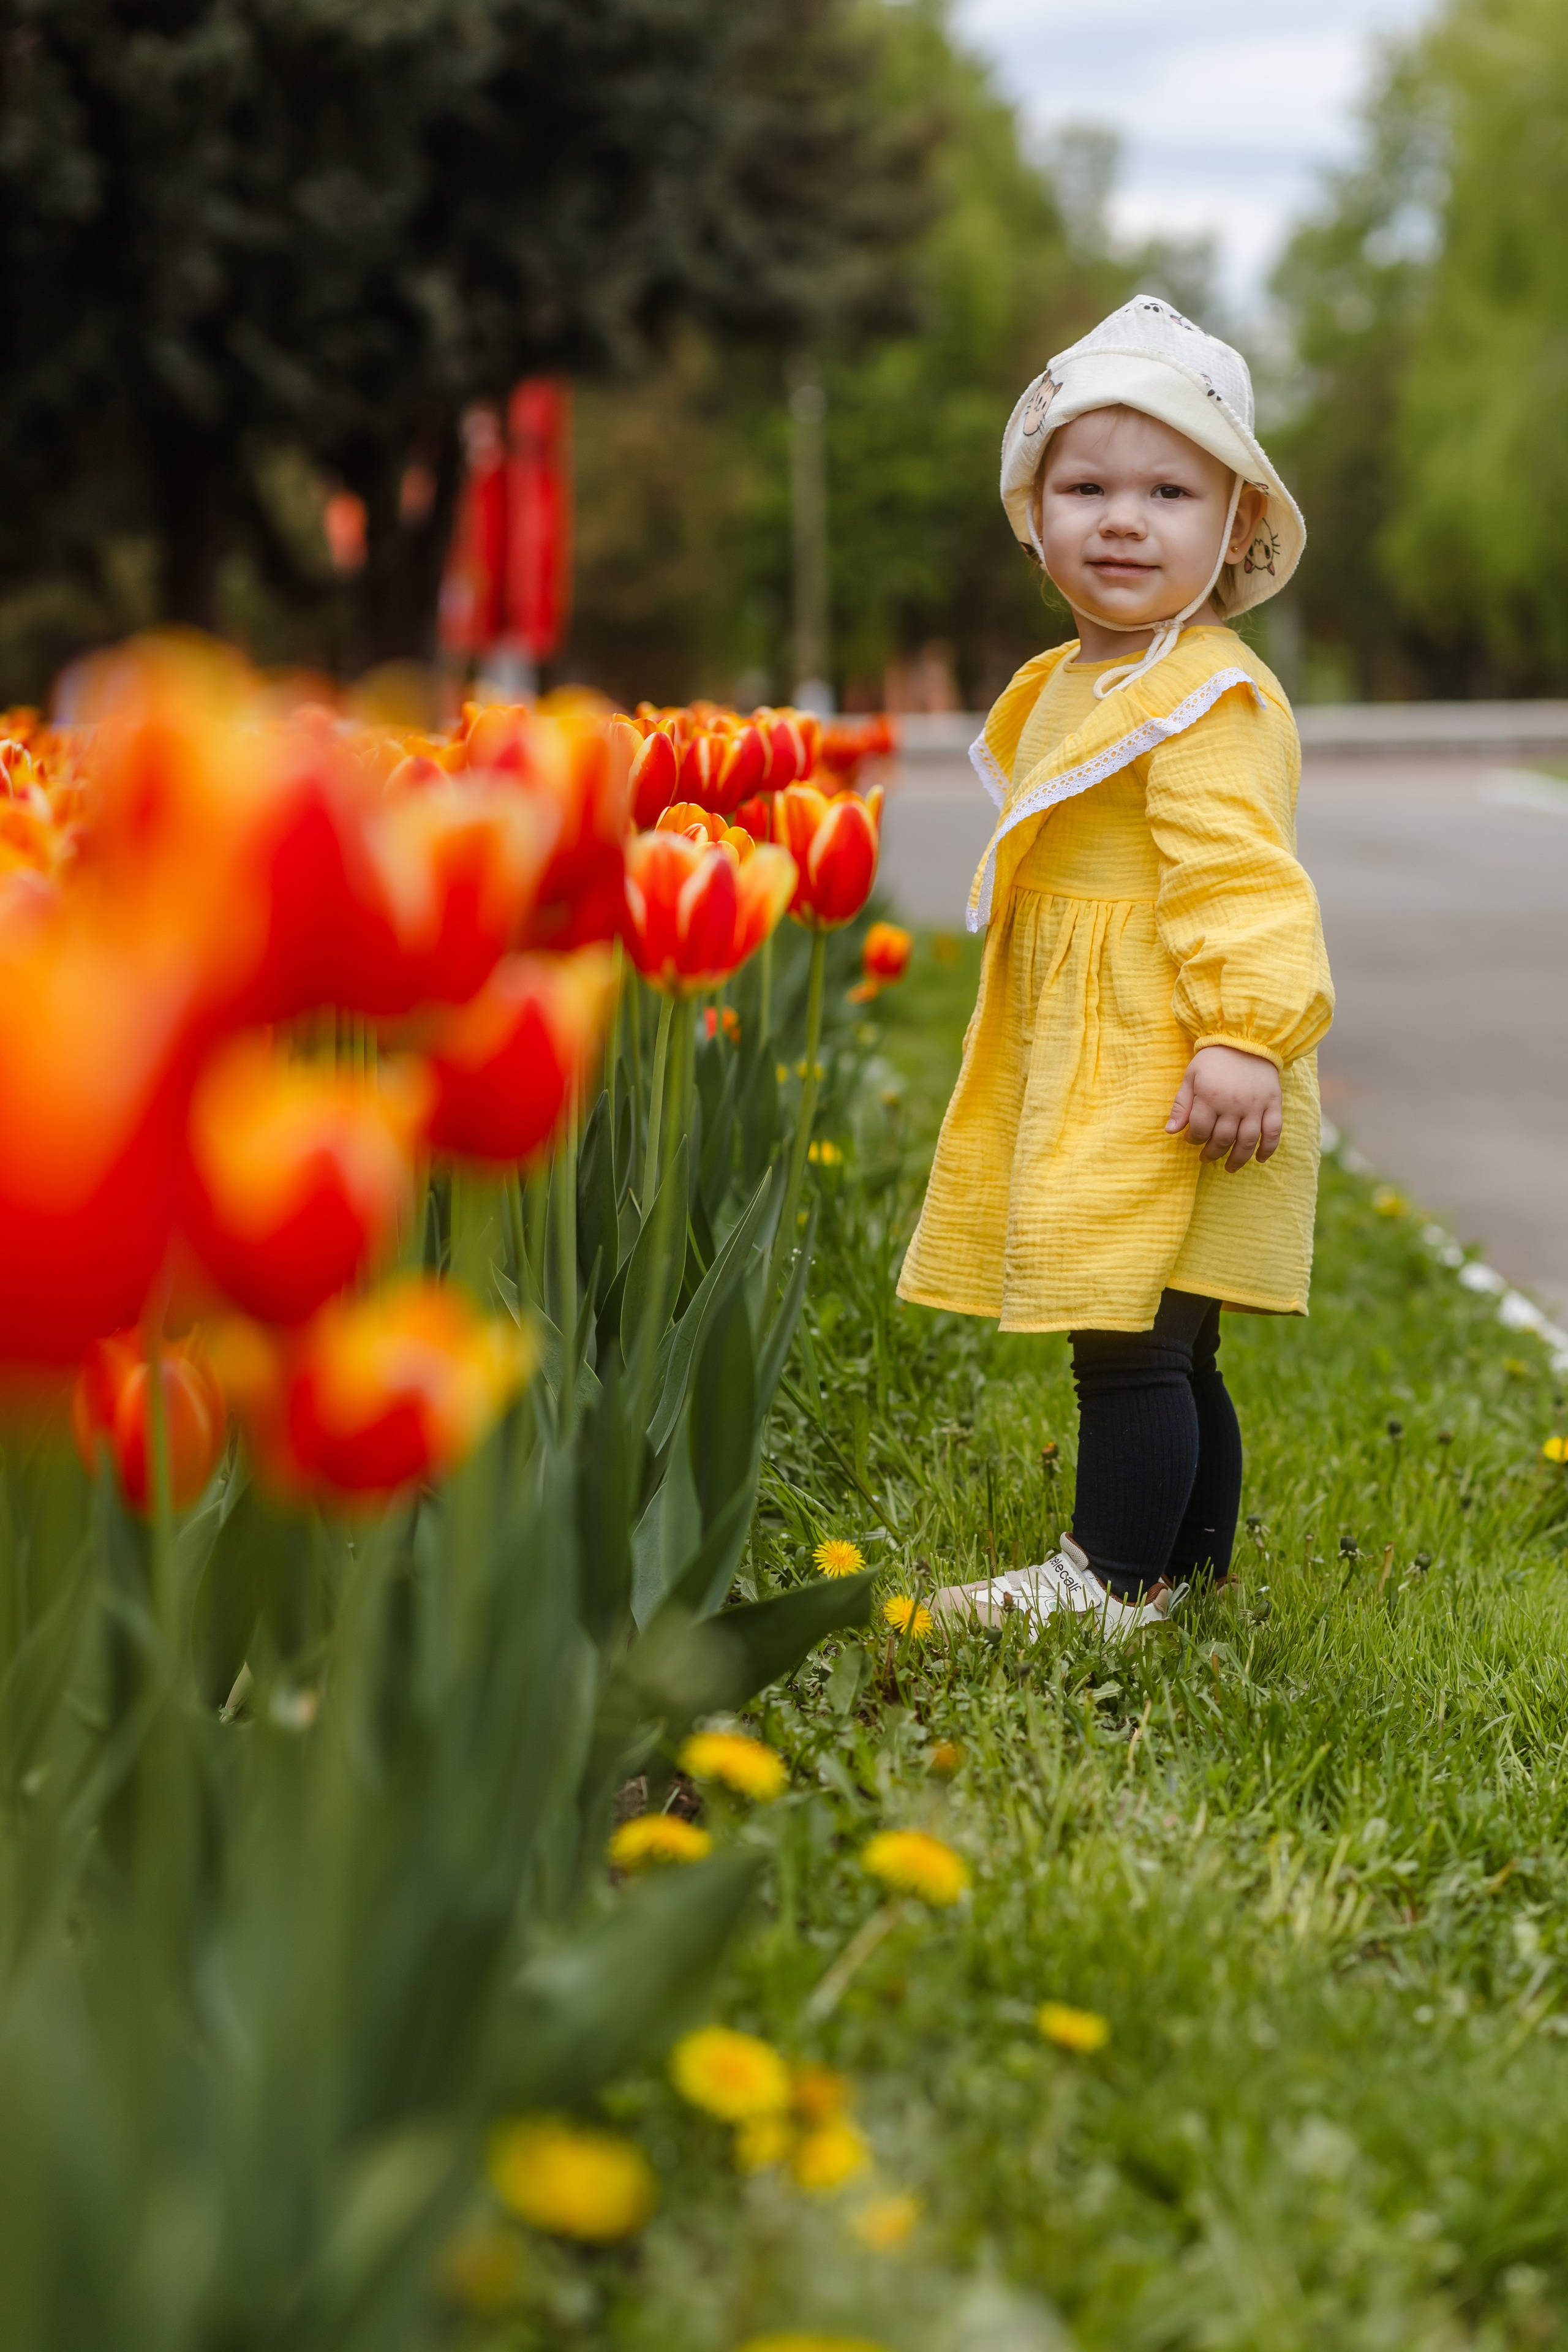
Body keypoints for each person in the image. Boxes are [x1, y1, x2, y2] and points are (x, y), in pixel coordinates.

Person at [897, 296, 1333, 1635]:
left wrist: (1243, 1035)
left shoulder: (1204, 692)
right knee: (1172, 1332)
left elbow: (1240, 874)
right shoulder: (1076, 678)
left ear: (1235, 526)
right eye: (1083, 486)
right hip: (1109, 1044)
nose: (1122, 518)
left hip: (1172, 1054)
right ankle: (1180, 1575)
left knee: (1129, 1335)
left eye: (1166, 490)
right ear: (1036, 518)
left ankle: (1105, 1577)